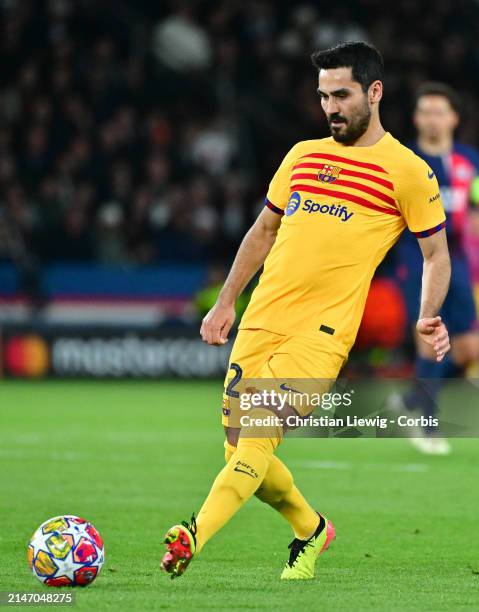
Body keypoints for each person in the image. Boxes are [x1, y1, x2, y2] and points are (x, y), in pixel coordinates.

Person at [160, 42, 451, 581]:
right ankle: (311, 528)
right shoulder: (302, 155)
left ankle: (193, 535)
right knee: (240, 454)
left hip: (320, 336)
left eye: (341, 94)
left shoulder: (406, 171)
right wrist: (226, 301)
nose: (331, 107)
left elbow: (437, 254)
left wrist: (426, 315)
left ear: (374, 91)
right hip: (260, 322)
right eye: (323, 96)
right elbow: (264, 231)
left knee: (259, 435)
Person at [390, 83, 479, 455]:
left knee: (469, 346)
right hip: (416, 257)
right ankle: (426, 422)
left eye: (439, 111)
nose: (432, 118)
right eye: (424, 111)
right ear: (415, 118)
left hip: (456, 260)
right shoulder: (403, 161)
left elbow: (473, 213)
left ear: (454, 118)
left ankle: (412, 400)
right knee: (429, 334)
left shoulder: (469, 161)